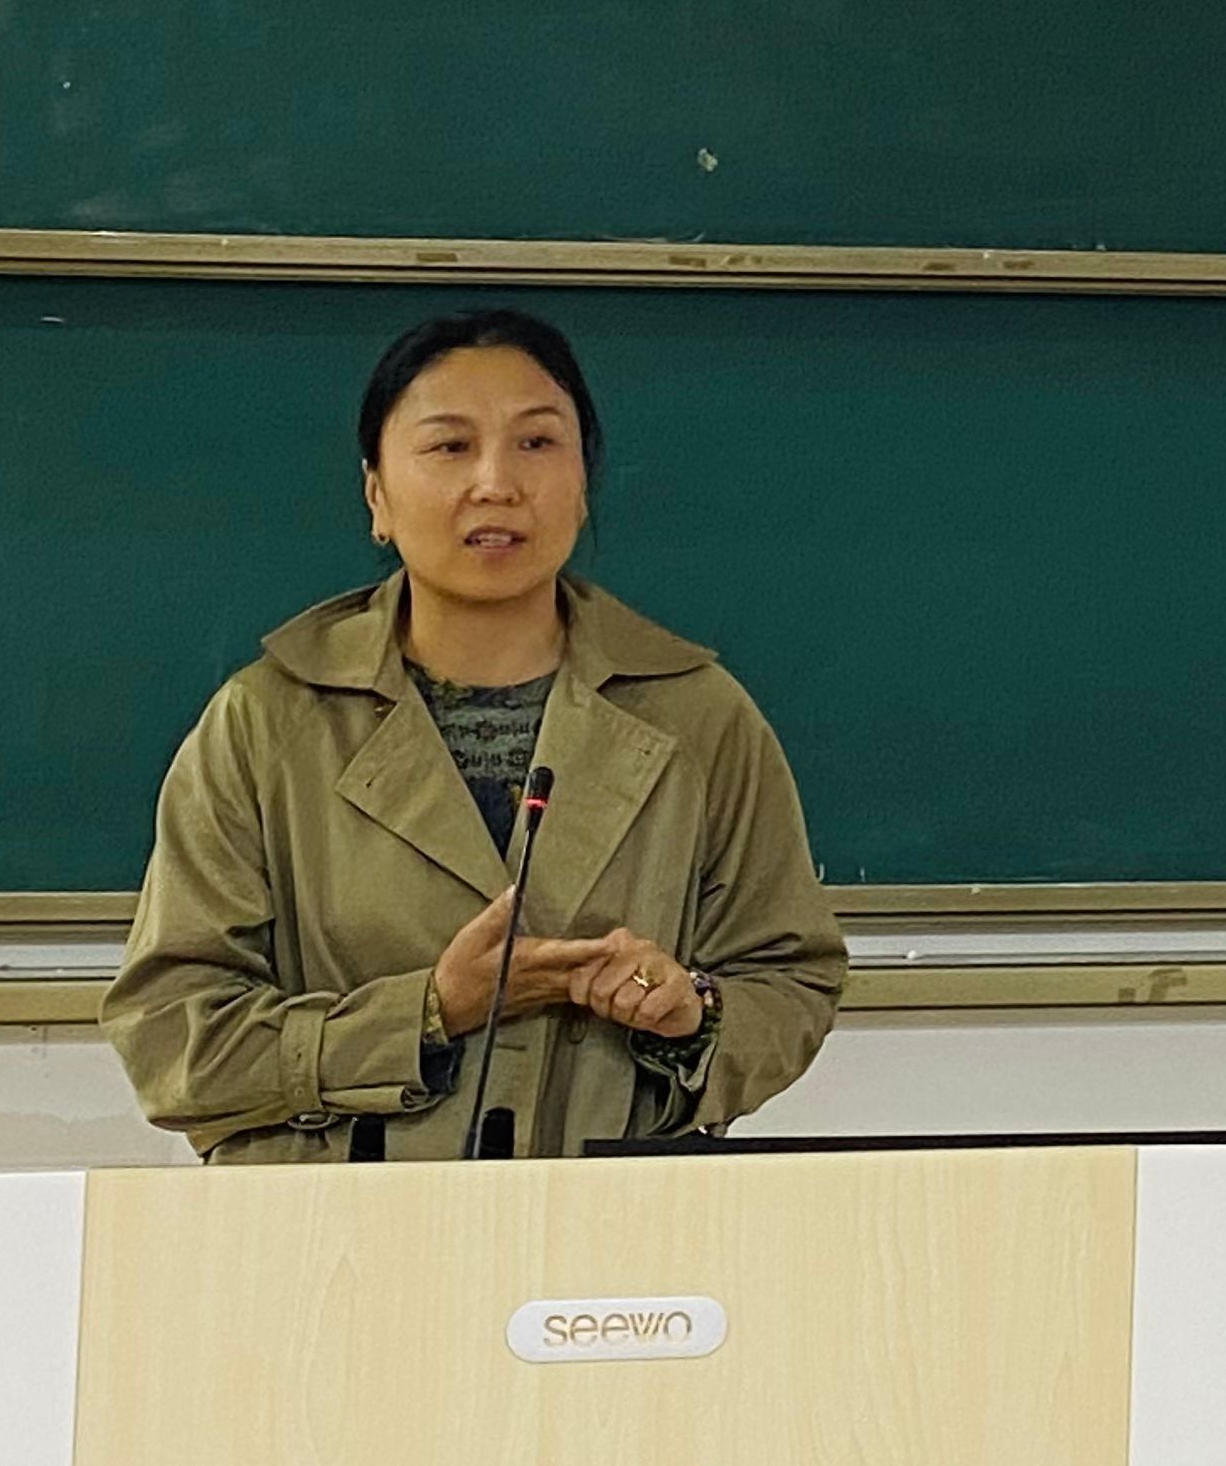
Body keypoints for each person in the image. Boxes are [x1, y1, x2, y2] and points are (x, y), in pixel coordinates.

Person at [104, 307, 846, 1160]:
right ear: (377, 495)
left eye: (537, 443)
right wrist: (426, 1014)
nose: (496, 482)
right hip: (331, 1221)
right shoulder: (265, 723)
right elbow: (173, 1041)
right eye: (450, 446)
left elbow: (791, 980)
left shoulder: (698, 717)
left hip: (612, 1225)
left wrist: (691, 1016)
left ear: (583, 484)